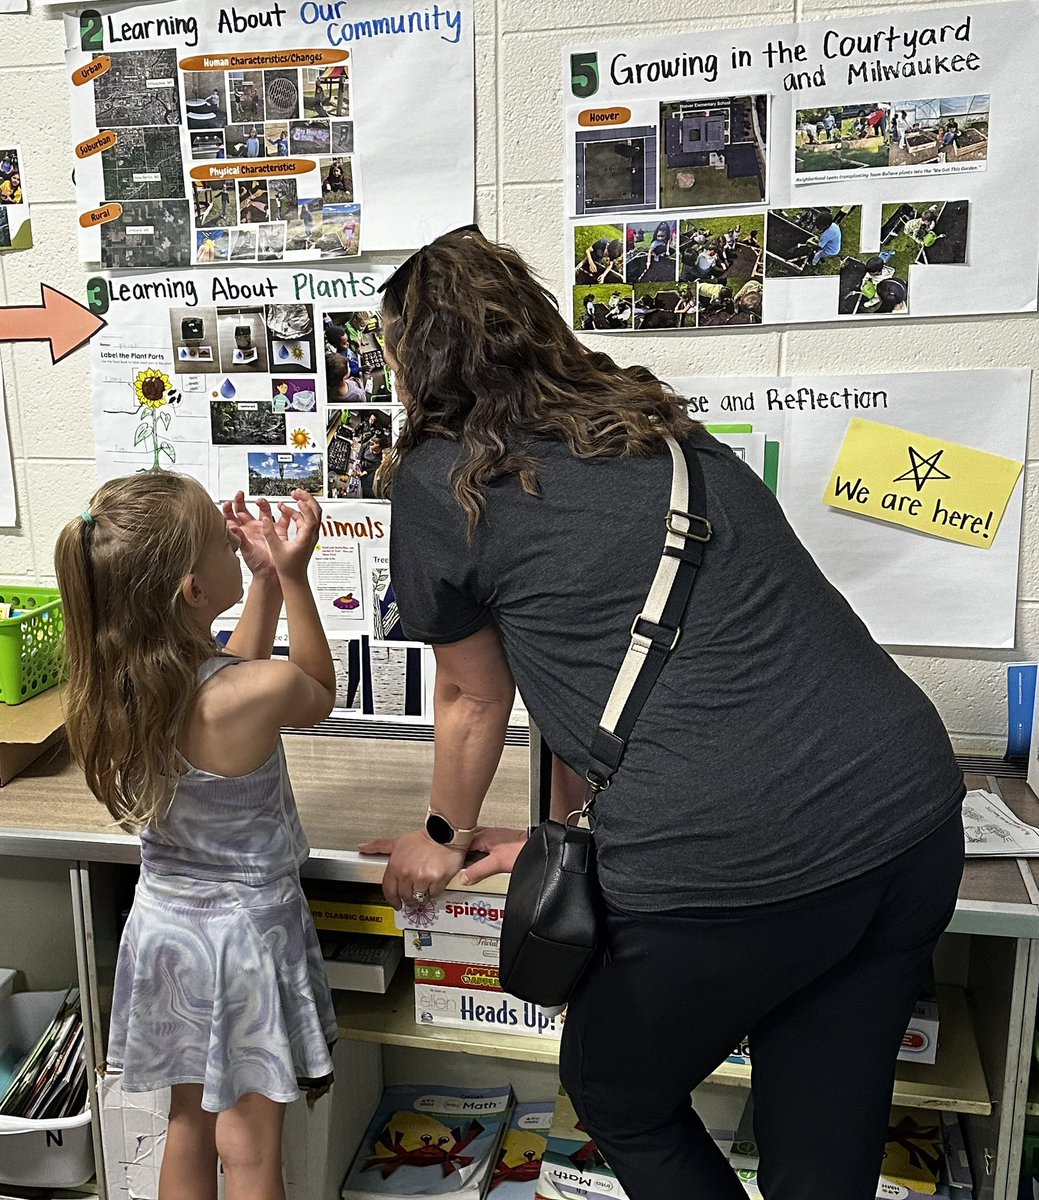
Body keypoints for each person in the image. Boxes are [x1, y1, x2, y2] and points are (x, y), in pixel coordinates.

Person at [358, 228, 964, 1200]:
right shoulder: (651, 425)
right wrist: (566, 841)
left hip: (728, 861)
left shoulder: (441, 475)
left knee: (615, 1090)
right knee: (824, 1139)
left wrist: (442, 835)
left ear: (412, 360)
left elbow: (476, 693)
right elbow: (610, 665)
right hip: (906, 818)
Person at [54, 476, 339, 1200]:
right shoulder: (251, 694)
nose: (232, 545)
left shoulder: (121, 686)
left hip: (165, 930)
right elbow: (313, 689)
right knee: (249, 1146)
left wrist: (263, 584)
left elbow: (229, 671)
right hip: (243, 940)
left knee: (186, 1122)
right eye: (222, 541)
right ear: (191, 590)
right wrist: (297, 580)